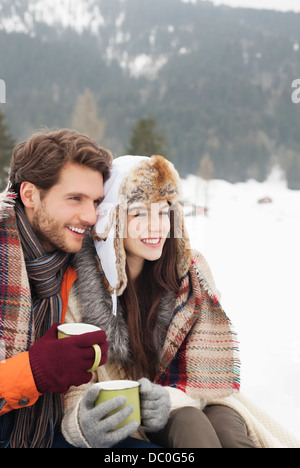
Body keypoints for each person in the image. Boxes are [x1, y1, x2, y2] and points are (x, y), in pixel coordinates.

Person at [61, 155, 257, 448]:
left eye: (163, 213)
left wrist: (170, 398)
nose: (155, 228)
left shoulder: (191, 272)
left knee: (228, 431)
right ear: (111, 218)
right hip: (134, 415)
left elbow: (207, 371)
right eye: (139, 214)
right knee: (191, 424)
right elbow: (75, 387)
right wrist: (82, 422)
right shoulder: (79, 286)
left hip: (199, 396)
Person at [0, 129, 112, 448]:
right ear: (30, 195)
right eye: (75, 198)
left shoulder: (83, 257)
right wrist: (35, 370)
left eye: (96, 202)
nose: (90, 216)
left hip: (54, 429)